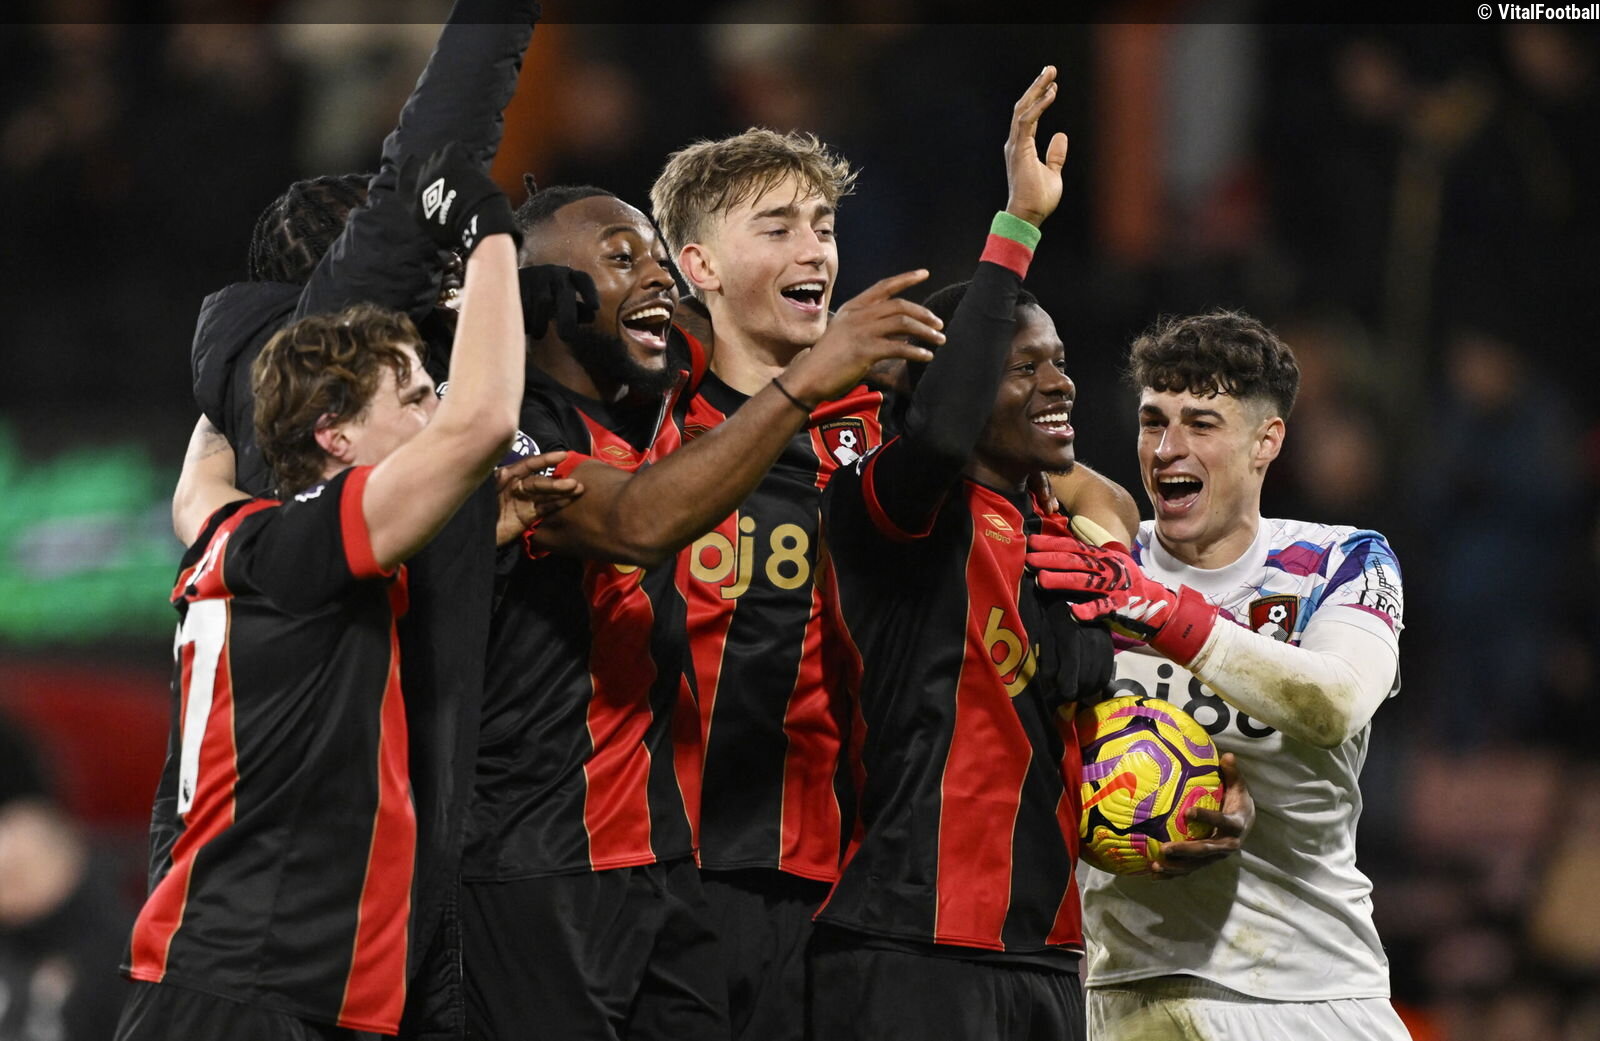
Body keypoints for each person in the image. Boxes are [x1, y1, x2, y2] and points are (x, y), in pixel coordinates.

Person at [648, 106, 1138, 1041]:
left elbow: (1082, 483)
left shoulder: (883, 425)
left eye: (823, 227)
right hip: (676, 858)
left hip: (847, 875)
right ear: (700, 265)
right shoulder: (660, 425)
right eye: (778, 228)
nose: (814, 250)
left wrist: (1104, 540)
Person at [458, 181, 943, 1041]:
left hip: (657, 861)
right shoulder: (509, 435)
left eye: (657, 257)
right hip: (534, 858)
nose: (656, 277)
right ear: (544, 298)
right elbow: (637, 521)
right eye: (621, 258)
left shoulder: (653, 397)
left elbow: (721, 324)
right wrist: (807, 379)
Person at [114, 146, 525, 1040]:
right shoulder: (311, 546)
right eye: (413, 399)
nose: (433, 415)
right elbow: (486, 420)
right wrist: (491, 234)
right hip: (261, 978)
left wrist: (246, 358)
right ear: (335, 438)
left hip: (232, 971)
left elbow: (201, 474)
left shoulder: (230, 528)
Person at [810, 66, 1112, 1041]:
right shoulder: (889, 509)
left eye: (1059, 361)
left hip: (1048, 949)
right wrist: (1017, 226)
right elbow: (940, 439)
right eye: (1022, 367)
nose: (1058, 383)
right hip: (908, 941)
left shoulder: (1062, 539)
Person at [1026, 309, 1410, 1040]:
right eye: (1153, 422)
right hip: (1126, 994)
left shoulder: (1340, 560)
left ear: (1267, 441)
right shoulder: (1096, 568)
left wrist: (1162, 613)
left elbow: (1334, 703)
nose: (1168, 448)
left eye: (1201, 424)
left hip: (1310, 994)